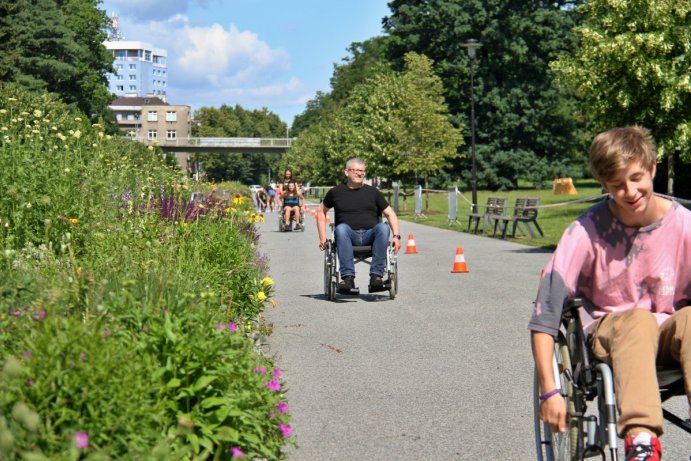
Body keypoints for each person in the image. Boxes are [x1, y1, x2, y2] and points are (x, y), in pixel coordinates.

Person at [529, 126, 691, 461]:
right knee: (637, 321)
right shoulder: (585, 231)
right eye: (617, 185)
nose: (630, 191)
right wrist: (550, 391)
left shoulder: (684, 226)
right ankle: (642, 441)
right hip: (612, 332)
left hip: (669, 336)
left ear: (653, 168)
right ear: (604, 185)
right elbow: (544, 317)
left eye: (636, 178)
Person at [317, 158, 402, 292]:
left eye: (362, 171)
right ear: (346, 172)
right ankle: (348, 279)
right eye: (355, 170)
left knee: (383, 227)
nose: (359, 174)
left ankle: (376, 277)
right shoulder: (335, 192)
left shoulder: (373, 192)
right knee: (341, 228)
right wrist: (322, 237)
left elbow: (390, 214)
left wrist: (396, 236)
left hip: (371, 236)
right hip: (348, 237)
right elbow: (321, 211)